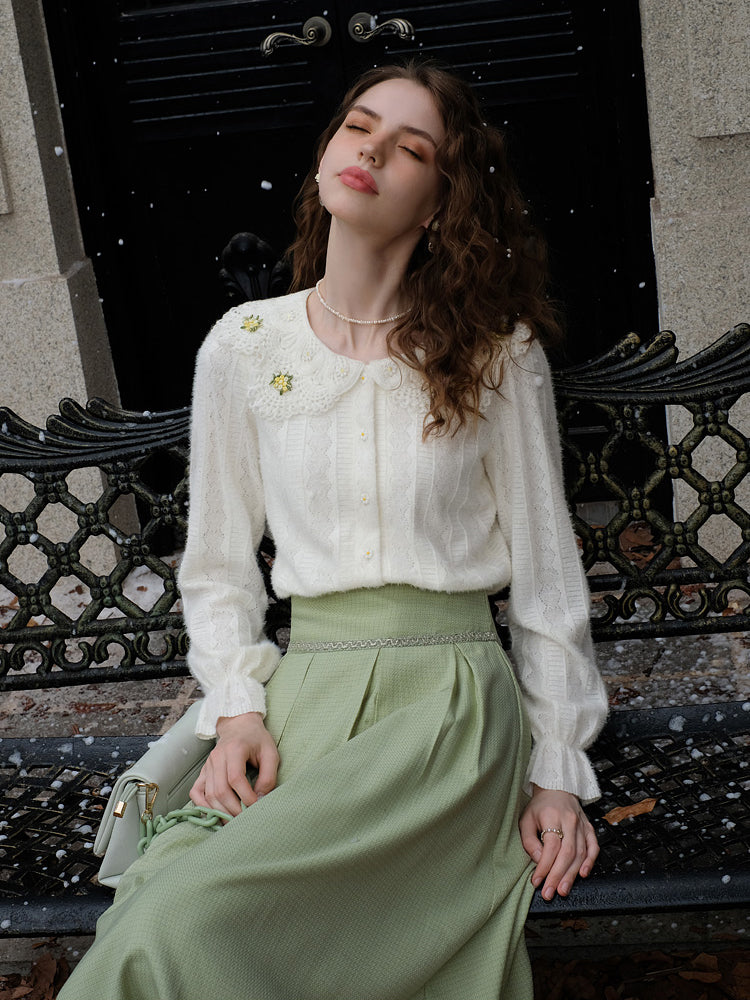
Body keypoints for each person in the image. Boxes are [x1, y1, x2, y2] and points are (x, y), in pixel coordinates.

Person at [59, 60, 608, 1000]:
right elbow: (218, 567)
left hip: (447, 709)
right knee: (170, 910)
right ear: (325, 157)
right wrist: (237, 709)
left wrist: (557, 771)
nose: (372, 152)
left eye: (411, 148)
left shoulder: (495, 353)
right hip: (302, 698)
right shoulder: (244, 346)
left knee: (185, 924)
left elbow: (548, 579)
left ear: (441, 202)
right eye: (359, 126)